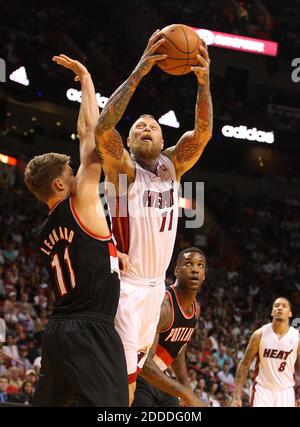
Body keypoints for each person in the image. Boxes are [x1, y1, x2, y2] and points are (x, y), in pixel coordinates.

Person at [95, 29, 212, 404]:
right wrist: (140, 71)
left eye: (153, 127)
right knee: (118, 386)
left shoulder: (173, 167)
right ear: (128, 142)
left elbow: (203, 133)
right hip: (126, 285)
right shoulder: (122, 169)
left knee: (129, 386)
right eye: (138, 127)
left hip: (155, 290)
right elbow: (102, 128)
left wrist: (203, 83)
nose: (145, 128)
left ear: (164, 142)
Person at [24, 55, 128, 406]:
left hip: (57, 332)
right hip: (91, 329)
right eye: (69, 172)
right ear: (58, 183)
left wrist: (112, 252)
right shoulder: (79, 201)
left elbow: (82, 252)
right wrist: (85, 78)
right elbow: (90, 137)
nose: (75, 174)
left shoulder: (43, 234)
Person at [133, 247, 207, 407]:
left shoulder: (196, 309)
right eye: (188, 264)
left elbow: (178, 348)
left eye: (200, 265)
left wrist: (185, 386)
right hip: (138, 374)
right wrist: (185, 392)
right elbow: (144, 362)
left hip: (159, 376)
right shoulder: (164, 306)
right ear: (176, 270)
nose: (195, 269)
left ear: (204, 275)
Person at [231, 297, 300, 407]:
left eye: (284, 306)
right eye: (276, 306)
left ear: (290, 313)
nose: (280, 308)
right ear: (272, 312)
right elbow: (244, 364)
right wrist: (236, 396)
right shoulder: (259, 334)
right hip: (262, 390)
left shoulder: (297, 337)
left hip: (286, 392)